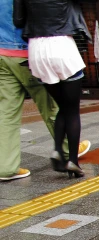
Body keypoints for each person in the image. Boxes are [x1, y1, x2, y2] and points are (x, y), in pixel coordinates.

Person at [0, 0, 89, 181]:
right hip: (29, 51)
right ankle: (66, 152)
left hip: (3, 52)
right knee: (56, 106)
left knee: (7, 112)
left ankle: (6, 167)